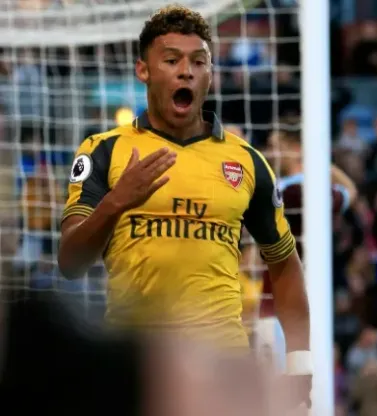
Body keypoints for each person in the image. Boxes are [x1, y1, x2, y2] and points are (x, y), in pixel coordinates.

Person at [56, 4, 311, 409]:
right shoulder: (103, 150)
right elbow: (70, 262)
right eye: (172, 60)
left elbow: (284, 264)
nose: (186, 72)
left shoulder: (246, 162)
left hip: (222, 365)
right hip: (135, 366)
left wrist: (300, 363)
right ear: (143, 70)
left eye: (198, 61)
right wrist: (117, 201)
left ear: (211, 73)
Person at [252, 118, 358, 370]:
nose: (270, 152)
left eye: (276, 146)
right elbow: (351, 191)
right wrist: (321, 162)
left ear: (296, 149)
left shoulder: (295, 191)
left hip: (280, 309)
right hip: (299, 303)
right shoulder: (313, 190)